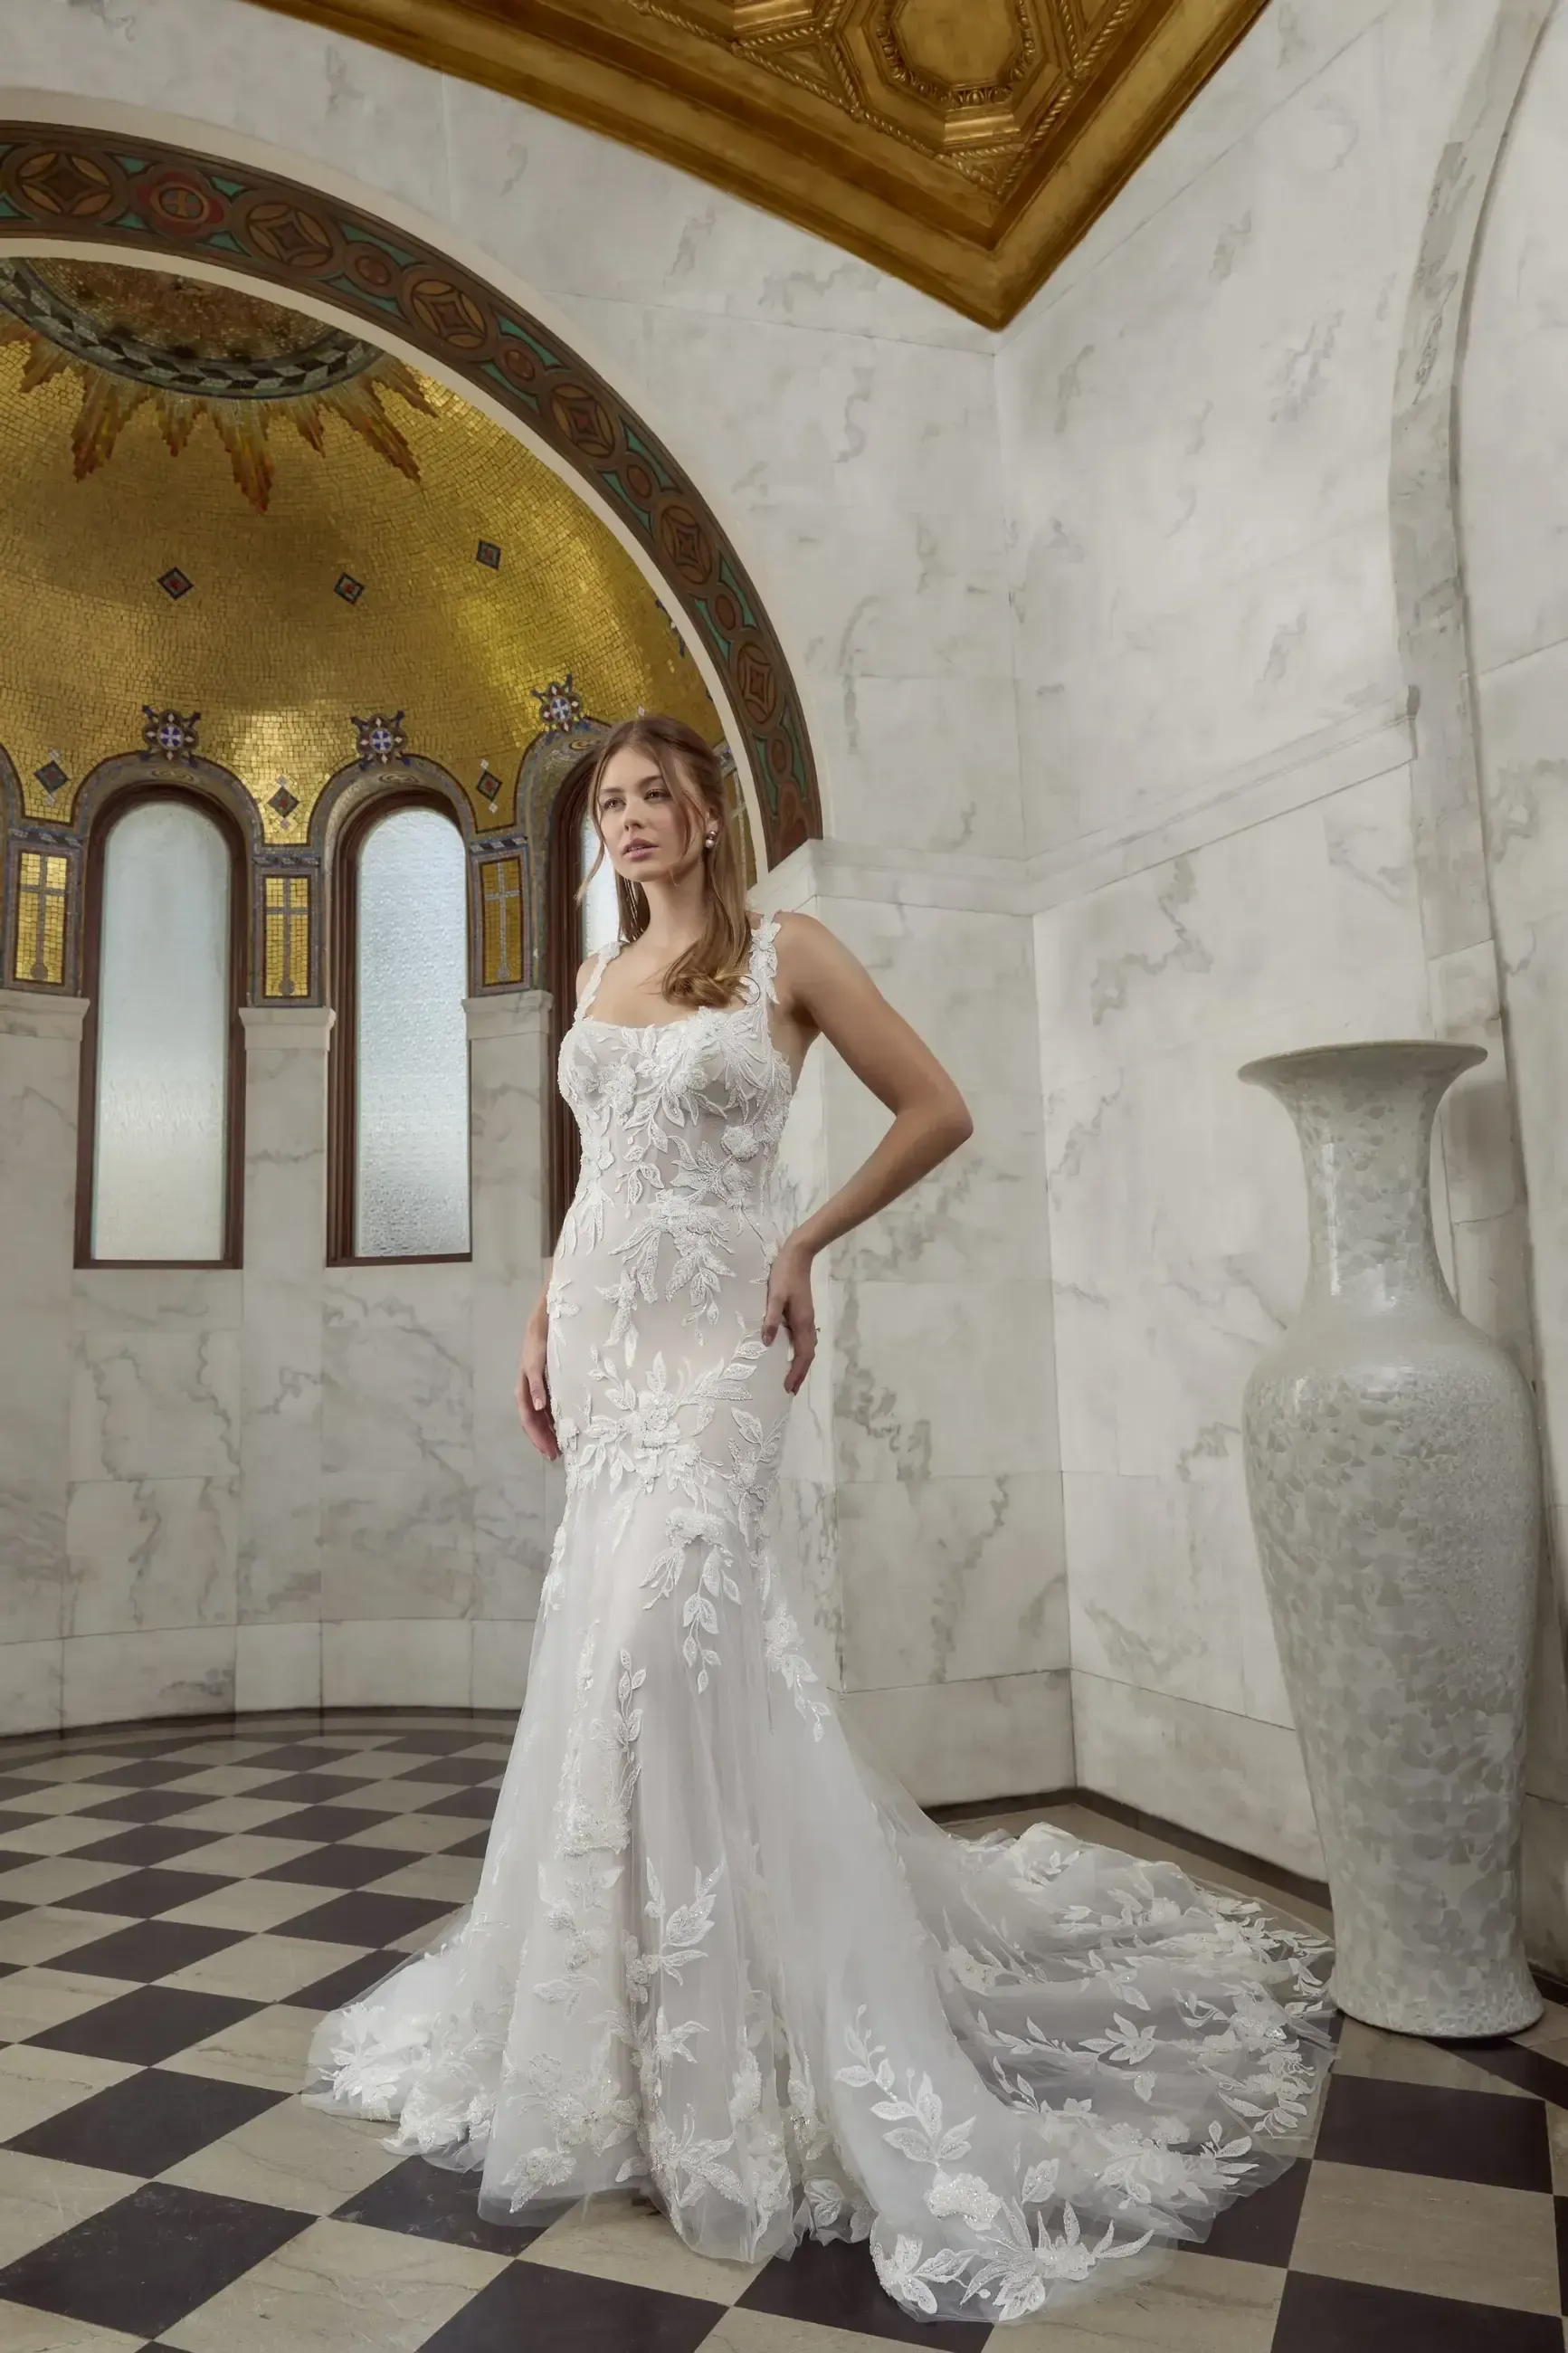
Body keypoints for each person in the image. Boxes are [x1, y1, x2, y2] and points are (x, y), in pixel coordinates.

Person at [304, 714, 1335, 2328]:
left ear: (711, 812)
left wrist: (803, 1246)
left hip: (719, 1346)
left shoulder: (788, 950)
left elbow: (937, 1107)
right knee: (614, 1665)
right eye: (610, 806)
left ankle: (757, 2044)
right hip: (600, 1338)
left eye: (656, 796)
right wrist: (537, 1312)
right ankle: (634, 2041)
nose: (631, 821)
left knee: (673, 1634)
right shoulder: (593, 979)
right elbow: (598, 1177)